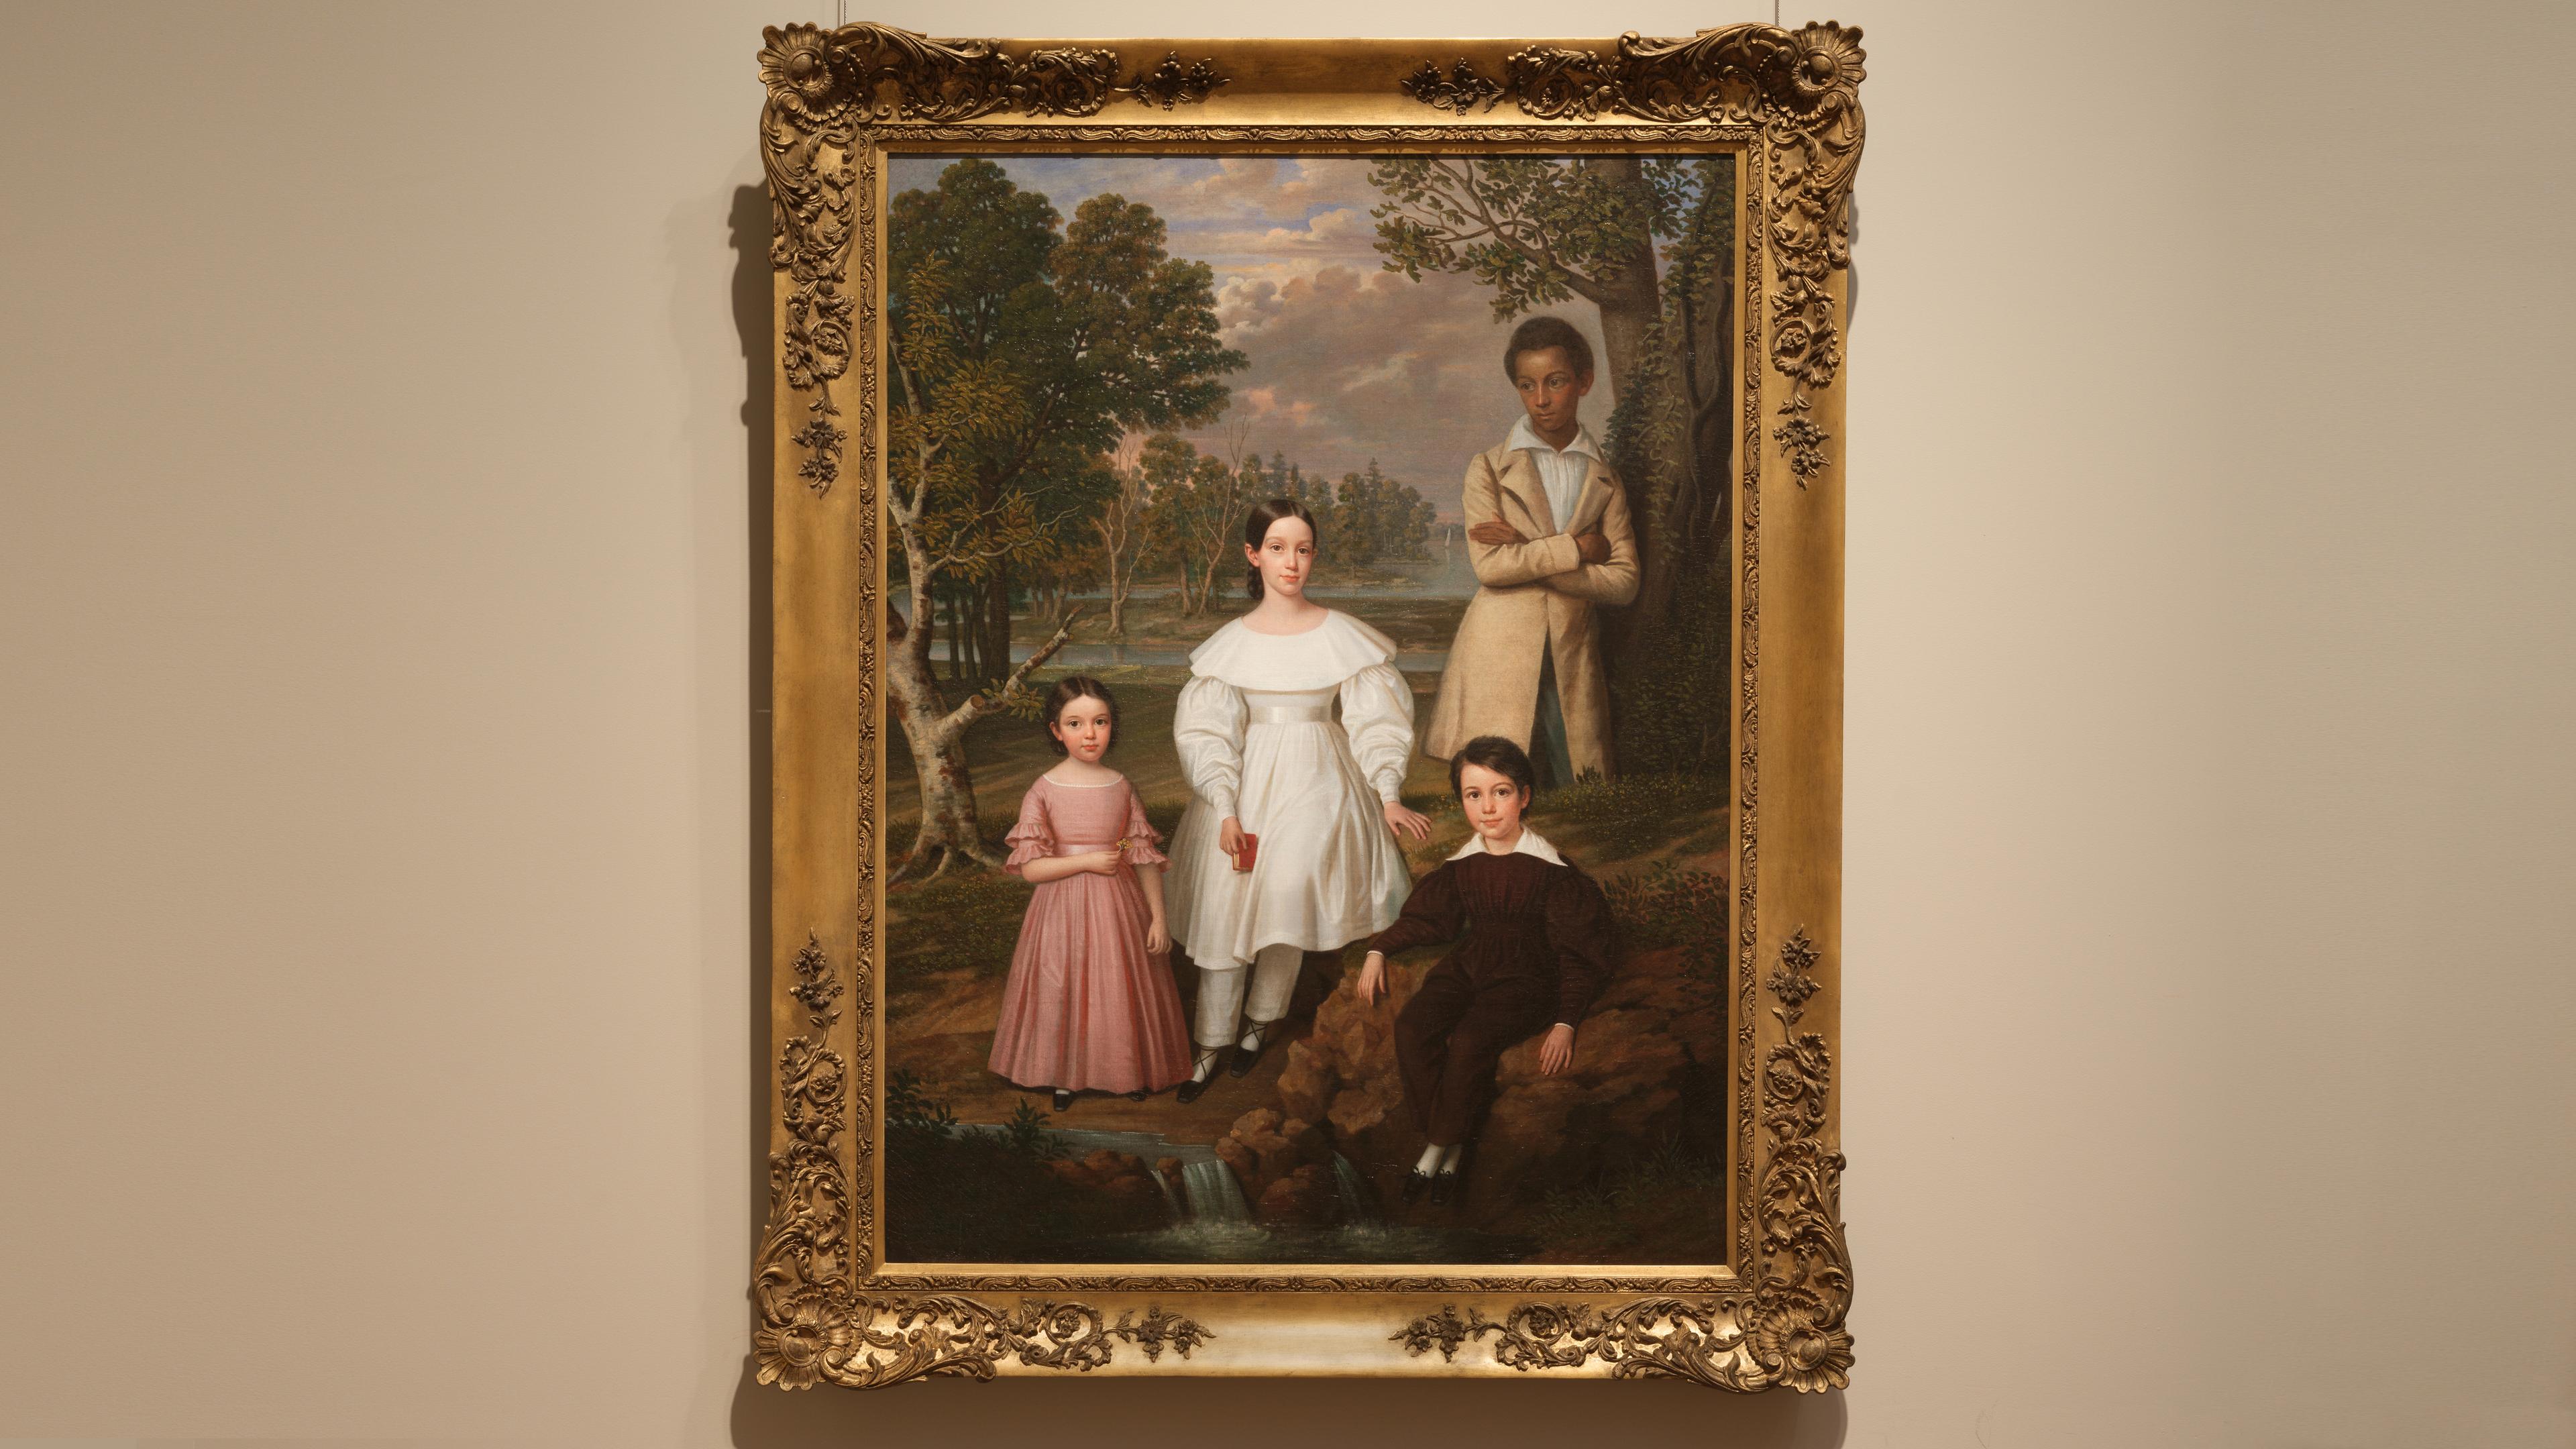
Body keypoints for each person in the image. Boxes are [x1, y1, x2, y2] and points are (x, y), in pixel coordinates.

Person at [1165, 498, 1434, 1104]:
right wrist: (1225, 806)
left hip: (1322, 781)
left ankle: (1263, 1021)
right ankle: (1210, 1043)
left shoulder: (1341, 635)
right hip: (1246, 783)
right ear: (1253, 555)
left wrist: (1388, 793)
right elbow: (1208, 735)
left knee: (1290, 895)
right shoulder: (1229, 646)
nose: (1293, 562)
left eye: (1304, 549)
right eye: (1279, 548)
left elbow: (1377, 724)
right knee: (1229, 904)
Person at [1356, 735, 1615, 1208]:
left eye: (1501, 792)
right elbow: (1430, 920)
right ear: (1462, 800)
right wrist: (1379, 951)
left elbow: (1581, 955)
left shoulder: (1553, 872)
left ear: (1525, 796)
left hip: (1527, 976)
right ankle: (1451, 1143)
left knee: (1473, 1040)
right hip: (1472, 963)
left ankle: (1437, 1154)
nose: (1488, 808)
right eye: (1474, 795)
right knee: (1414, 1026)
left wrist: (1566, 1021)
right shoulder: (1465, 864)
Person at [1424, 315, 1640, 784]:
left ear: (1584, 382)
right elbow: (1492, 569)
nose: (1541, 400)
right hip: (1500, 650)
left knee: (1578, 784)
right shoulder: (1487, 469)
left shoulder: (1605, 478)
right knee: (1499, 785)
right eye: (1527, 386)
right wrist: (1578, 548)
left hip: (1572, 648)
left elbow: (1624, 583)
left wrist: (1528, 550)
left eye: (1555, 382)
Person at [989, 677, 1192, 1111]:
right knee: (1064, 984)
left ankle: (1128, 1072)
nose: (1090, 733)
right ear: (1056, 730)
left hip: (1118, 906)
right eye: (1076, 723)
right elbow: (1031, 869)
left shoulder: (1122, 786)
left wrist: (1159, 917)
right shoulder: (1043, 790)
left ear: (1111, 726)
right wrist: (1084, 861)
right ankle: (1065, 1077)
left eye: (1099, 722)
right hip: (1059, 908)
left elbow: (1136, 854)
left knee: (1117, 986)